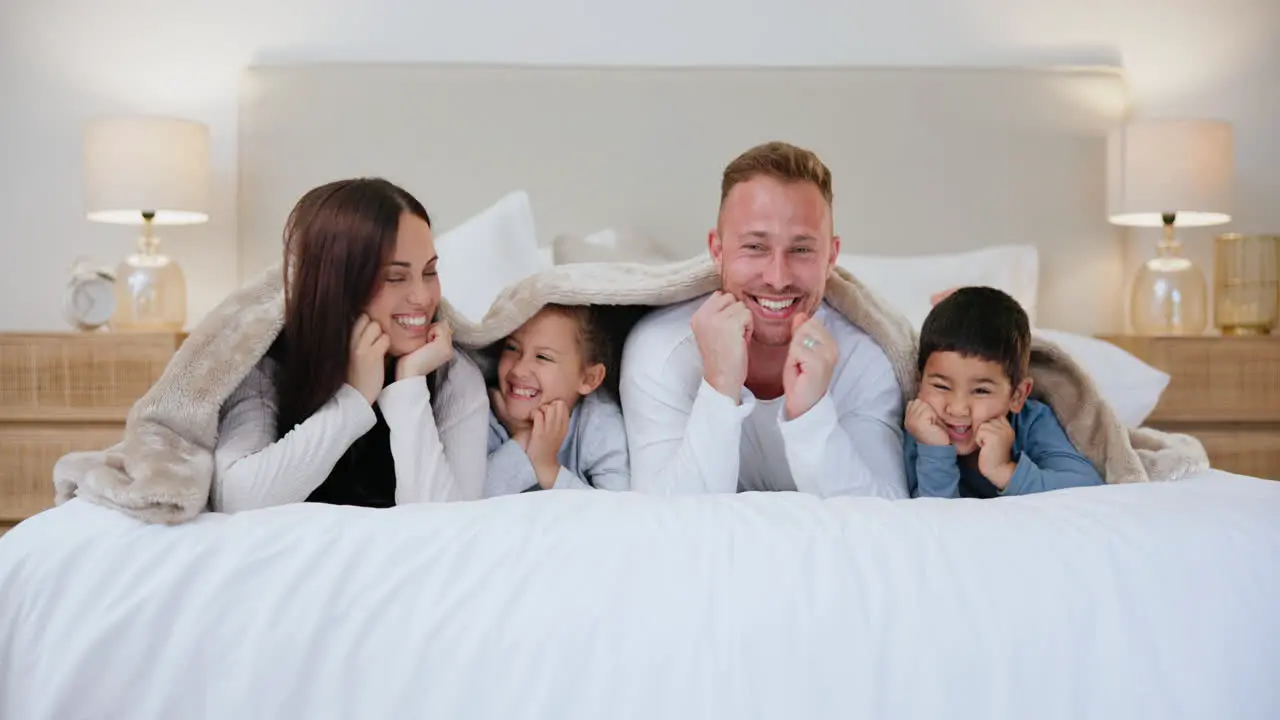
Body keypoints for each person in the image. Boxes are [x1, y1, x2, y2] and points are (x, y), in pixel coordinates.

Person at [619, 141, 908, 498]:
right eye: (755, 247)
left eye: (801, 249)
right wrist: (719, 386)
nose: (777, 277)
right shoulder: (662, 351)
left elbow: (887, 520)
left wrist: (811, 414)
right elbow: (665, 523)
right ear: (717, 250)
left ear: (831, 257)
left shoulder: (863, 357)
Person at [211, 178, 490, 512]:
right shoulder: (268, 362)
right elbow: (238, 501)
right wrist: (354, 400)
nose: (423, 297)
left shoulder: (452, 374)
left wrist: (409, 385)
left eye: (429, 272)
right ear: (338, 283)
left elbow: (447, 525)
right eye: (395, 277)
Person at [904, 286, 1105, 498]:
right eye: (941, 386)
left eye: (981, 390)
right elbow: (932, 520)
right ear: (919, 382)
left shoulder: (1032, 421)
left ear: (1017, 396)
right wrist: (935, 452)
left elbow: (1089, 490)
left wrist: (1003, 470)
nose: (957, 409)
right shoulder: (920, 429)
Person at [484, 305, 630, 496]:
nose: (518, 369)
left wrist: (547, 467)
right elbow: (467, 502)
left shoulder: (599, 423)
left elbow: (617, 515)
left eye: (543, 357)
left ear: (589, 379)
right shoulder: (486, 411)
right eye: (512, 348)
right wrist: (523, 437)